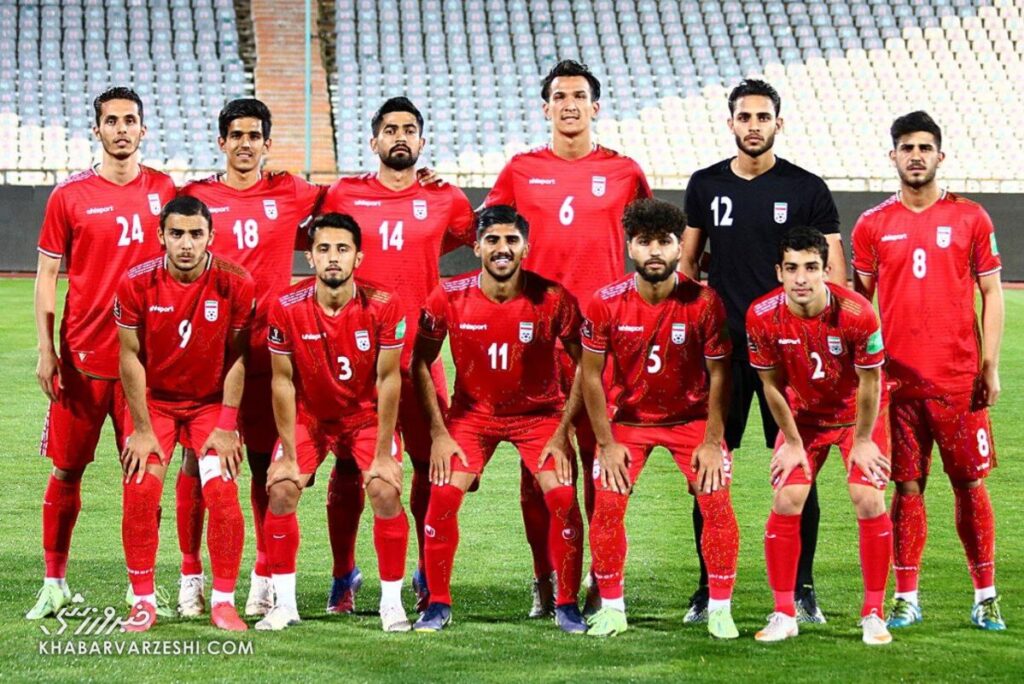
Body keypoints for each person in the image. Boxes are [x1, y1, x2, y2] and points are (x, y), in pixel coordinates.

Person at [484, 59, 652, 615]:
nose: (570, 104)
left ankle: (603, 580)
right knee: (540, 472)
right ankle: (545, 578)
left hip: (603, 344)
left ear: (595, 107)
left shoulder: (625, 172)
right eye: (560, 96)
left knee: (603, 466)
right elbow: (484, 233)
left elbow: (651, 246)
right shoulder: (520, 170)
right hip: (536, 342)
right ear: (546, 107)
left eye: (579, 96)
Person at [680, 78, 846, 623]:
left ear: (779, 123)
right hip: (724, 352)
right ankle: (707, 588)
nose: (754, 125)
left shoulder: (807, 188)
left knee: (798, 466)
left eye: (763, 116)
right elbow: (688, 266)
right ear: (731, 123)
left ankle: (802, 588)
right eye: (745, 116)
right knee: (709, 471)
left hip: (791, 352)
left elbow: (834, 275)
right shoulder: (705, 184)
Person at [318, 97, 476, 613]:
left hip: (420, 362)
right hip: (357, 362)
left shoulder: (446, 198)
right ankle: (344, 574)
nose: (400, 136)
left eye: (409, 129)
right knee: (349, 468)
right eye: (390, 129)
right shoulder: (344, 194)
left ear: (422, 142)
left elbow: (480, 239)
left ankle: (428, 573)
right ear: (374, 141)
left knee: (431, 468)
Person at [852, 111, 1005, 631]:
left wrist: (990, 365)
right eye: (906, 147)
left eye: (924, 147)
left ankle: (985, 596)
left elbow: (991, 293)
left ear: (940, 155)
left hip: (959, 382)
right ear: (892, 156)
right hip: (897, 385)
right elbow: (860, 305)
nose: (915, 155)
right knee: (907, 488)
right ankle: (906, 597)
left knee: (970, 486)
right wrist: (863, 377)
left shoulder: (971, 218)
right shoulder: (871, 224)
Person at [28, 87, 176, 620]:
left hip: (146, 366)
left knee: (144, 478)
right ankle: (54, 583)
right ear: (97, 130)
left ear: (143, 129)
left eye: (129, 120)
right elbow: (47, 275)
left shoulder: (164, 189)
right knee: (66, 472)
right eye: (111, 121)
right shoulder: (69, 196)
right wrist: (46, 349)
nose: (121, 129)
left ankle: (142, 589)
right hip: (81, 361)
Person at [410, 205, 587, 633]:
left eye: (511, 240)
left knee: (562, 496)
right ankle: (437, 604)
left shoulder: (554, 298)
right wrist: (439, 432)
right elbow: (420, 362)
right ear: (476, 247)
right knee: (442, 496)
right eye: (492, 240)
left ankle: (565, 604)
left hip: (539, 416)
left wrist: (563, 432)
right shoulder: (447, 296)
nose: (501, 248)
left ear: (526, 247)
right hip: (472, 417)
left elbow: (587, 363)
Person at [179, 98, 324, 617]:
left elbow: (345, 200)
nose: (245, 144)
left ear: (267, 143)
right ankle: (191, 576)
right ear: (222, 142)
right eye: (236, 135)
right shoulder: (195, 196)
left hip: (269, 353)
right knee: (197, 463)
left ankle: (264, 577)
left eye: (254, 136)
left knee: (267, 462)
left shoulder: (290, 190)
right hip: (208, 354)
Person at [580, 199, 739, 639]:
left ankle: (720, 609)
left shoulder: (704, 302)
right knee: (607, 505)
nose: (654, 251)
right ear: (629, 246)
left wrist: (713, 441)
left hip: (691, 420)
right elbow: (590, 376)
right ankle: (612, 608)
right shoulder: (605, 302)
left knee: (716, 502)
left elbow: (720, 374)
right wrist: (606, 444)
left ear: (679, 247)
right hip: (629, 422)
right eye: (644, 241)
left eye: (664, 242)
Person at [258, 213, 411, 632]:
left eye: (342, 249)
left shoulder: (385, 305)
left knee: (384, 489)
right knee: (281, 488)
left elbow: (389, 379)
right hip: (311, 417)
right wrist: (288, 454)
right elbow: (282, 381)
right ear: (309, 257)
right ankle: (285, 605)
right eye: (323, 249)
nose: (332, 258)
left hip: (365, 417)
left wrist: (384, 454)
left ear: (358, 257)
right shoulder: (285, 306)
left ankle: (392, 604)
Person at [747, 226, 892, 646]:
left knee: (868, 498)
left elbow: (871, 382)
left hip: (856, 418)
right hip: (803, 420)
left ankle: (873, 613)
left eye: (811, 267)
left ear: (826, 271)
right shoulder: (761, 315)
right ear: (779, 271)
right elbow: (771, 385)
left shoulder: (858, 313)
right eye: (791, 268)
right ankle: (784, 612)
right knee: (787, 498)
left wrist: (862, 441)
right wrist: (792, 443)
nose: (801, 278)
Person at [115, 196, 254, 633]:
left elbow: (238, 357)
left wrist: (227, 425)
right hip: (154, 403)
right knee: (140, 490)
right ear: (161, 235)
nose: (186, 244)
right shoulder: (136, 282)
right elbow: (129, 356)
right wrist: (141, 429)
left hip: (209, 405)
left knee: (223, 494)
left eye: (196, 234)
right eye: (177, 234)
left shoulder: (236, 282)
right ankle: (142, 602)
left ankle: (223, 603)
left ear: (211, 236)